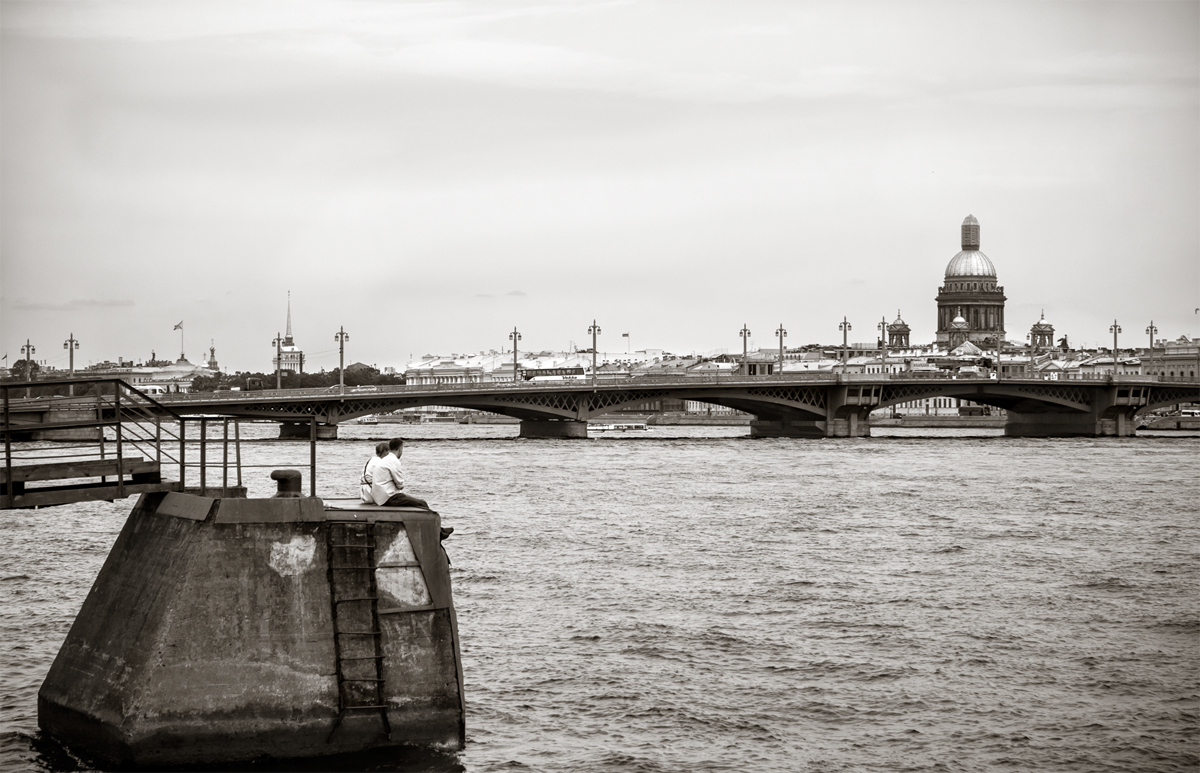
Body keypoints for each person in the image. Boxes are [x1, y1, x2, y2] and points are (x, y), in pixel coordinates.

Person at [374, 437, 431, 510]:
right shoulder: (394, 461)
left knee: (411, 499)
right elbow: (400, 485)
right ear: (400, 449)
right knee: (422, 503)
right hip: (388, 498)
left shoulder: (384, 460)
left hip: (379, 498)